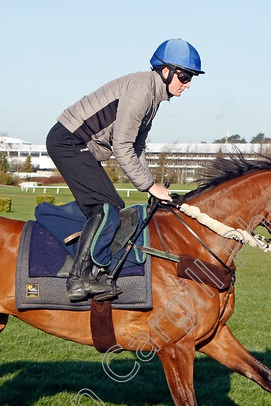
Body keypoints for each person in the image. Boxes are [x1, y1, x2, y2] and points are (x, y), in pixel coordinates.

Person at [46, 38, 203, 301]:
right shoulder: (142, 90)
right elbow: (122, 145)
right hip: (68, 141)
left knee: (112, 208)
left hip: (78, 145)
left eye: (191, 78)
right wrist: (148, 185)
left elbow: (138, 146)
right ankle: (79, 278)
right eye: (184, 76)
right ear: (165, 71)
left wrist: (152, 185)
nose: (187, 84)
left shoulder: (153, 98)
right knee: (105, 208)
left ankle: (85, 267)